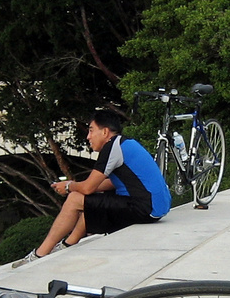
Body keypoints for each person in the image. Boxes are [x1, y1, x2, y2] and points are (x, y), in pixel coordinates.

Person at [23, 109, 171, 261]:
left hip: (147, 208)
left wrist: (68, 186)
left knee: (75, 198)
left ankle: (40, 254)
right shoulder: (126, 143)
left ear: (105, 132)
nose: (88, 137)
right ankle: (68, 244)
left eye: (91, 130)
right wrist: (78, 187)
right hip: (156, 207)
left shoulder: (112, 147)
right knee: (89, 198)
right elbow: (112, 184)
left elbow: (88, 187)